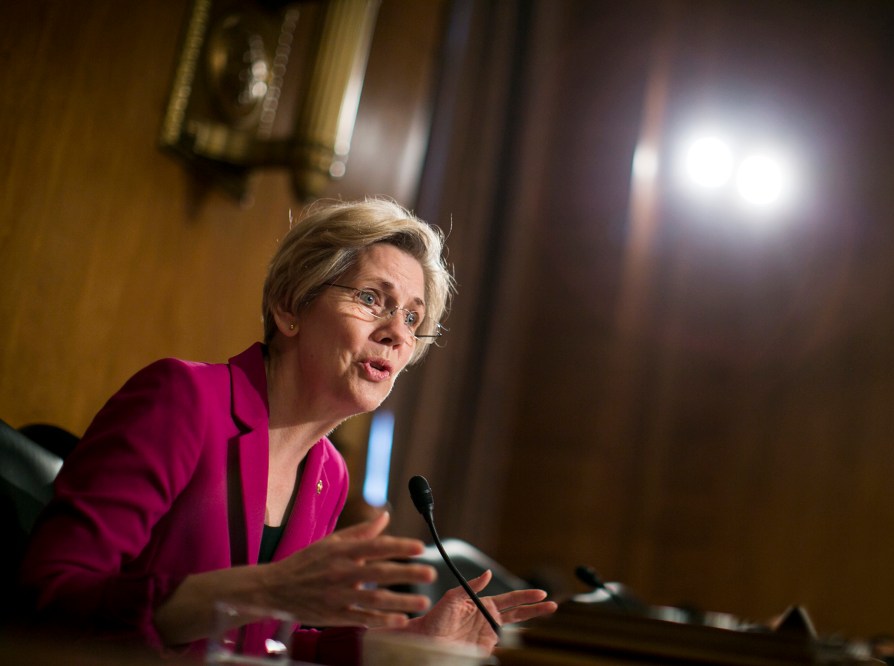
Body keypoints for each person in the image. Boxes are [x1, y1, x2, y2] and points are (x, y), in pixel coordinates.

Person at [18, 198, 557, 662]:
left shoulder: (328, 473)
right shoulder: (181, 400)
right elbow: (49, 597)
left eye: (413, 318)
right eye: (372, 299)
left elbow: (270, 643)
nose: (396, 332)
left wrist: (405, 645)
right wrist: (257, 590)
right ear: (289, 306)